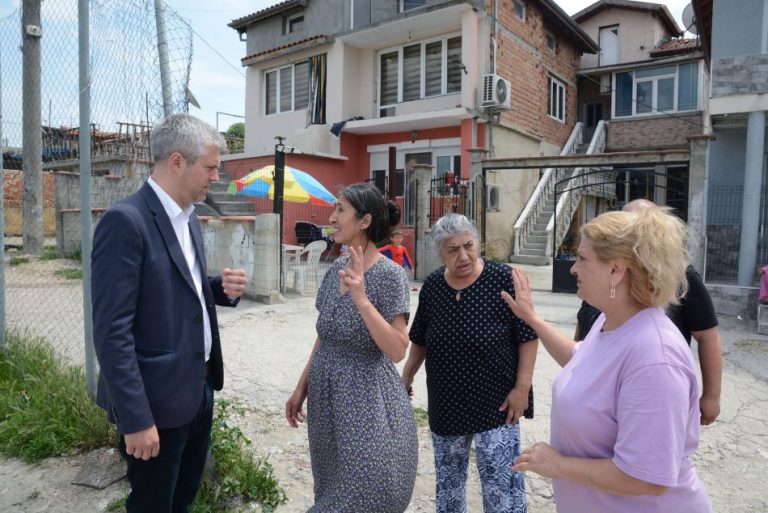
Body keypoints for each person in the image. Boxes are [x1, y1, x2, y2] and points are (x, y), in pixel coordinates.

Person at [506, 208, 711, 512]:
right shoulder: (612, 320)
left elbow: (647, 477)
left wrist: (557, 465)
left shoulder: (655, 356)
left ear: (616, 270)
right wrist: (532, 318)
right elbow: (582, 361)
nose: (573, 269)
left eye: (583, 259)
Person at [91, 113, 248, 513]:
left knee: (181, 501)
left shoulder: (189, 217)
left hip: (198, 391)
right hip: (155, 404)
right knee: (152, 505)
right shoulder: (125, 223)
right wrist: (136, 419)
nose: (216, 177)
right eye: (210, 167)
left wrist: (219, 289)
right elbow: (112, 333)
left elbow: (177, 289)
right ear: (177, 161)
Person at [285, 182, 418, 512]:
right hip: (326, 400)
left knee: (361, 491)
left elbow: (399, 349)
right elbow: (325, 335)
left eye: (340, 210)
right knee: (330, 486)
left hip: (366, 401)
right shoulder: (333, 272)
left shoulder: (389, 275)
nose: (332, 217)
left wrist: (361, 299)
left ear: (365, 221)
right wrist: (301, 387)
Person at [402, 213, 538, 513]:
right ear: (440, 253)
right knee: (448, 490)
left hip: (498, 403)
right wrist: (407, 376)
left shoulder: (504, 280)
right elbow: (421, 339)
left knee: (501, 489)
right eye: (452, 249)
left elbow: (528, 335)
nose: (463, 255)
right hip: (447, 402)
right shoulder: (434, 286)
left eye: (469, 245)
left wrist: (522, 388)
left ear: (478, 243)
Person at [574, 199, 723, 425]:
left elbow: (707, 335)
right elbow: (585, 320)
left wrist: (712, 396)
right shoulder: (603, 285)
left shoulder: (681, 278)